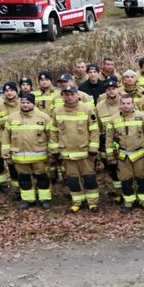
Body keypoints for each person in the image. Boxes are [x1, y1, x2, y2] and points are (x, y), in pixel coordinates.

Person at [52, 85, 101, 213]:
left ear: (78, 95)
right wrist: (55, 149)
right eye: (66, 94)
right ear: (62, 96)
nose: (69, 97)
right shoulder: (57, 111)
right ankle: (77, 202)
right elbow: (54, 132)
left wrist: (93, 147)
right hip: (67, 152)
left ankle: (92, 203)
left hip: (85, 152)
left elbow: (94, 130)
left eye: (72, 94)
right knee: (73, 179)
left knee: (89, 178)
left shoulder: (87, 109)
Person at [2, 93, 55, 209]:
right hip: (19, 157)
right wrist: (6, 154)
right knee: (24, 179)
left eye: (28, 103)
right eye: (23, 102)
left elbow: (52, 136)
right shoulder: (12, 118)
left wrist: (52, 153)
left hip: (39, 157)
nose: (25, 105)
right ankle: (28, 199)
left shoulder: (44, 117)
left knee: (42, 178)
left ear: (33, 103)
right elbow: (6, 137)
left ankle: (44, 199)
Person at [106, 95, 144, 213]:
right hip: (122, 155)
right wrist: (111, 155)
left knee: (142, 179)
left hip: (140, 154)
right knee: (126, 180)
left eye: (128, 103)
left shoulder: (142, 116)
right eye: (123, 103)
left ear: (133, 104)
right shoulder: (113, 119)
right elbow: (109, 139)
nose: (126, 106)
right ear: (120, 105)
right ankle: (129, 202)